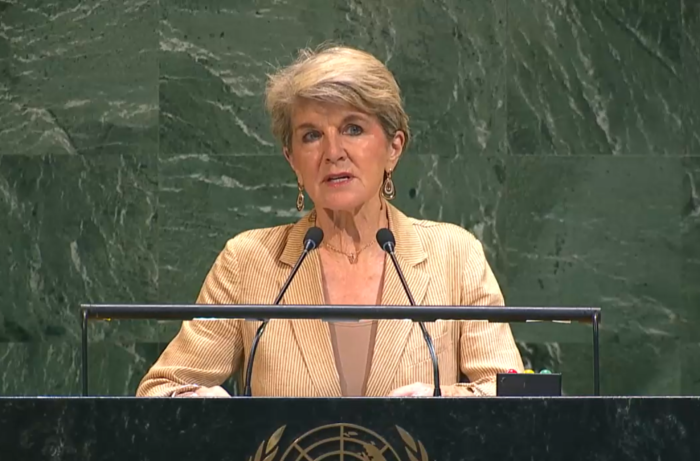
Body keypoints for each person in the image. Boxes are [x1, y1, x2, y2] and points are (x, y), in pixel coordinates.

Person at [137, 45, 523, 398]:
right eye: (311, 136)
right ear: (292, 159)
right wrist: (199, 407)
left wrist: (442, 402)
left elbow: (510, 394)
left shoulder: (455, 256)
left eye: (353, 129)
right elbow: (159, 390)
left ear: (394, 147)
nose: (333, 152)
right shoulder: (247, 262)